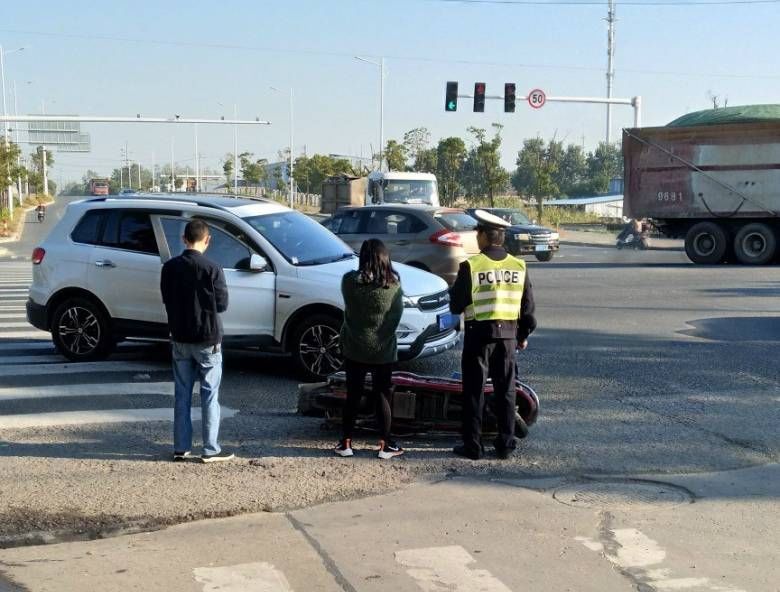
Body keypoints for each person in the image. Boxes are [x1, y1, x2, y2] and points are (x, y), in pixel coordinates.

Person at [449, 209, 537, 460]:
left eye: (478, 232)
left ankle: (473, 446)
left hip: (478, 337)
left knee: (474, 391)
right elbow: (528, 309)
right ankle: (506, 444)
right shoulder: (518, 266)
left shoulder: (471, 265)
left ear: (485, 236)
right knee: (506, 391)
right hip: (508, 338)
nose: (476, 237)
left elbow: (456, 305)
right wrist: (522, 334)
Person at [160, 219, 234, 463]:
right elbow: (222, 305)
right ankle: (210, 449)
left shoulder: (169, 268)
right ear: (207, 240)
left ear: (184, 239)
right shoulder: (213, 269)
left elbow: (166, 299)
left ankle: (181, 448)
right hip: (207, 338)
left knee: (181, 395)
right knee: (209, 394)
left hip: (179, 337)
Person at [334, 238, 405, 460]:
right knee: (383, 396)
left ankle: (345, 443)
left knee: (353, 395)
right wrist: (383, 338)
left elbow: (349, 309)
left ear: (363, 257)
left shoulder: (348, 282)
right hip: (383, 350)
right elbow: (395, 319)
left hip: (354, 347)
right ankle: (385, 445)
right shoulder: (393, 286)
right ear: (385, 257)